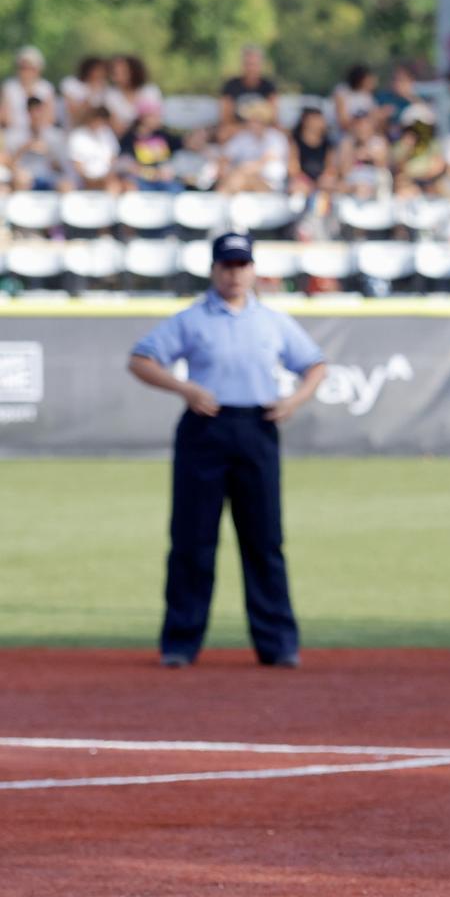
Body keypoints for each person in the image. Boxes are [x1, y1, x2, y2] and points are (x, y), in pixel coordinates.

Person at [127, 233, 325, 669]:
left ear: (253, 269)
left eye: (241, 265)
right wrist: (184, 388)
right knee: (192, 540)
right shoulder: (192, 319)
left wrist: (293, 400)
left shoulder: (273, 321)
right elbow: (142, 359)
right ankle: (180, 642)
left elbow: (314, 364)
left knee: (265, 540)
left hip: (257, 426)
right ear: (214, 270)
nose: (235, 274)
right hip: (206, 427)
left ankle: (277, 644)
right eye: (227, 265)